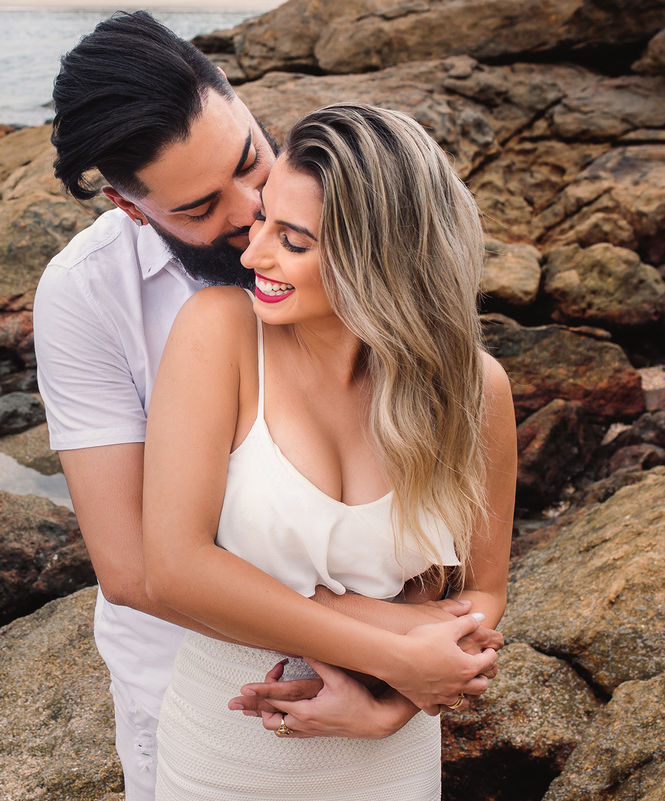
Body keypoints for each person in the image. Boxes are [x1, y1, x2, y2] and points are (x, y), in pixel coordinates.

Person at [34, 13, 502, 799]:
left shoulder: (350, 223)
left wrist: (396, 692)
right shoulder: (88, 294)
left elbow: (470, 562)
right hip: (206, 692)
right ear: (130, 207)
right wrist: (393, 646)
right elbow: (137, 569)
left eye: (251, 160)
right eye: (201, 207)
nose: (250, 213)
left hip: (388, 725)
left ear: (240, 101)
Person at [141, 102, 517, 799]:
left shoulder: (477, 391)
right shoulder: (219, 334)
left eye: (294, 239)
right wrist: (393, 646)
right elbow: (174, 567)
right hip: (230, 750)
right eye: (262, 221)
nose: (252, 254)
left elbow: (482, 590)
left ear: (380, 258)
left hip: (392, 758)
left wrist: (391, 707)